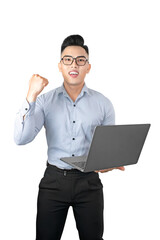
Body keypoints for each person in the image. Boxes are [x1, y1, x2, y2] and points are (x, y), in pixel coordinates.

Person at [14, 34, 125, 240]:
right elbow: (21, 138)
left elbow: (107, 151)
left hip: (89, 182)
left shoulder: (103, 104)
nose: (74, 64)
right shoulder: (45, 101)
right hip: (53, 181)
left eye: (80, 60)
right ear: (60, 65)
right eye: (68, 59)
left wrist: (108, 163)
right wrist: (31, 96)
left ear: (88, 67)